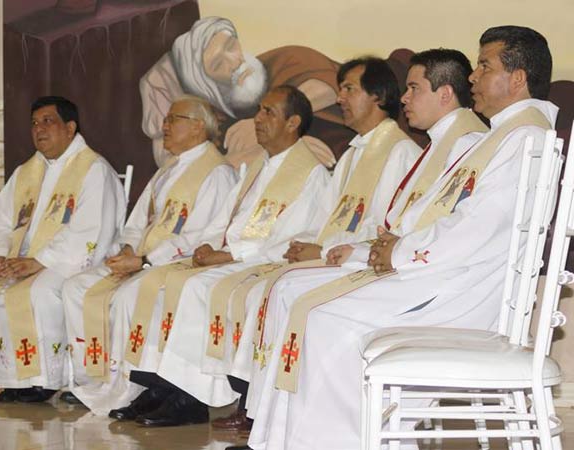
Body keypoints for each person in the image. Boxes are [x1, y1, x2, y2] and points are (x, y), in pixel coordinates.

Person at [245, 26, 557, 450]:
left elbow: (477, 227)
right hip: (452, 276)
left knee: (324, 318)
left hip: (465, 292)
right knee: (305, 302)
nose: (473, 76)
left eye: (485, 66)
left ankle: (345, 442)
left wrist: (400, 252)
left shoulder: (525, 137)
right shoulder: (507, 134)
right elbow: (449, 220)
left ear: (517, 78)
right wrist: (387, 250)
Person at [82, 85, 330, 423]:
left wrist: (227, 255)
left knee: (195, 288)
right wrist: (210, 246)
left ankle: (190, 397)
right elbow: (225, 220)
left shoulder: (311, 174)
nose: (257, 119)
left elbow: (289, 238)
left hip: (262, 262)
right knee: (162, 282)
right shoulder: (260, 166)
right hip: (233, 257)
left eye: (268, 112)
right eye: (258, 110)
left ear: (293, 122)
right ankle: (159, 385)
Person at [209, 57, 428, 432]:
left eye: (349, 89)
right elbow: (328, 219)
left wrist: (321, 251)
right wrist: (307, 244)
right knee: (268, 287)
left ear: (378, 96)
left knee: (274, 290)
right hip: (331, 257)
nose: (340, 98)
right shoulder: (353, 153)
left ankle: (275, 409)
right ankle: (259, 405)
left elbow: (382, 227)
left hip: (359, 264)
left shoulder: (399, 152)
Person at [61, 95, 237, 407]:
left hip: (180, 263)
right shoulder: (169, 168)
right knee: (76, 287)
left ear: (198, 127)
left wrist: (144, 261)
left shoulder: (217, 173)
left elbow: (200, 237)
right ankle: (92, 380)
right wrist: (129, 249)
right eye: (166, 119)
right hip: (142, 259)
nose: (164, 126)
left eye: (173, 119)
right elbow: (139, 220)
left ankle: (130, 387)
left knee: (130, 296)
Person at [0, 96, 126, 402]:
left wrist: (40, 261)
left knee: (40, 291)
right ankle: (11, 378)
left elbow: (90, 231)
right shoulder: (26, 172)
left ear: (70, 128)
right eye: (34, 123)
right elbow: (1, 221)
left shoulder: (94, 170)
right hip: (22, 260)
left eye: (47, 121)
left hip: (72, 262)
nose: (39, 129)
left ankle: (44, 381)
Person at [140, 16, 351, 169]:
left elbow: (329, 88)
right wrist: (275, 148)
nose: (234, 61)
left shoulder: (279, 60)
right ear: (210, 86)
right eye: (218, 64)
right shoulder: (220, 122)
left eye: (230, 45)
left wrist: (263, 123)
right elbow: (199, 169)